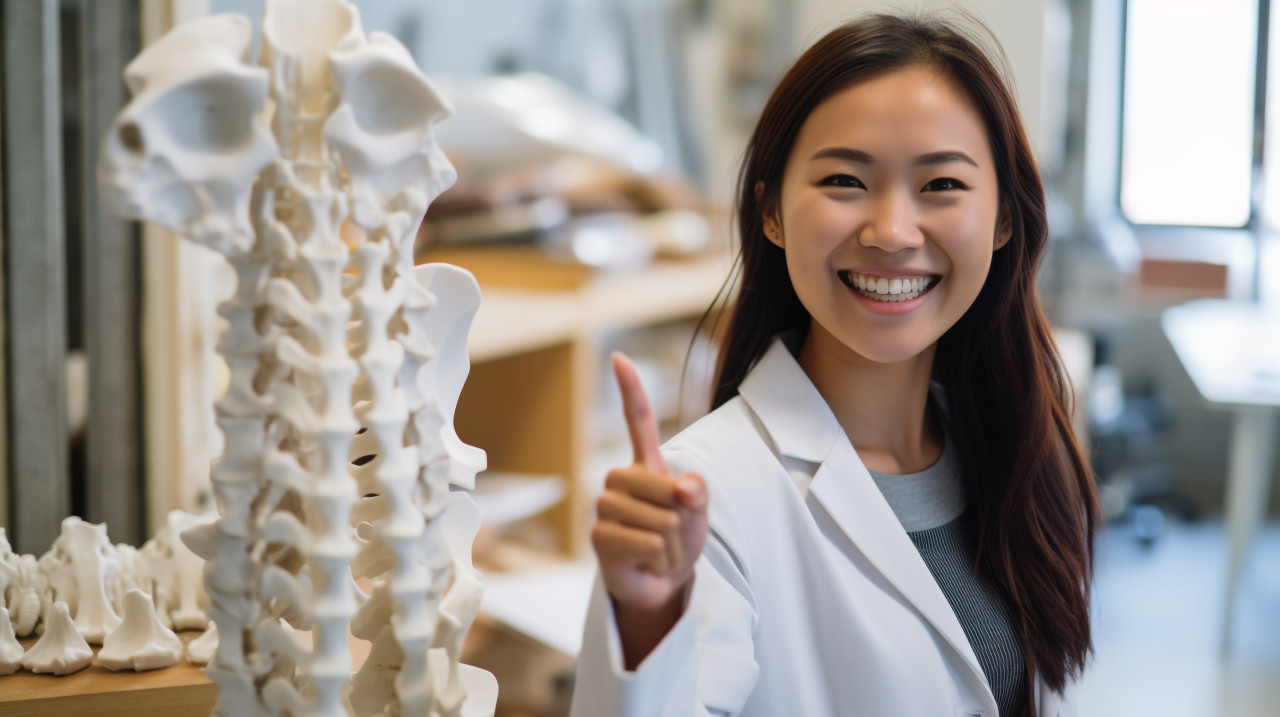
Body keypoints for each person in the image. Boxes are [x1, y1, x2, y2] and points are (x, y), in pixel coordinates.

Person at [570, 12, 1098, 717]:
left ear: (1004, 218)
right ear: (772, 214)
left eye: (941, 184)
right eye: (845, 179)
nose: (892, 233)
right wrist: (646, 620)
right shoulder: (708, 497)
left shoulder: (1015, 454)